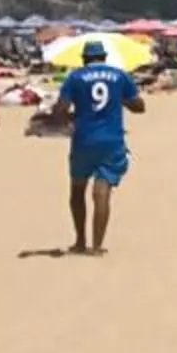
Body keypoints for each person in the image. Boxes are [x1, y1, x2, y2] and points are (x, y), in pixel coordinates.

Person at [54, 39, 145, 255]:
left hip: (83, 139)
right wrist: (120, 98)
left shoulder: (75, 77)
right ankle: (96, 246)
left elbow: (61, 109)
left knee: (77, 190)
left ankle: (79, 241)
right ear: (105, 57)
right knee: (102, 192)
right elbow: (139, 107)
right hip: (111, 141)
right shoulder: (120, 75)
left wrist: (69, 121)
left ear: (84, 59)